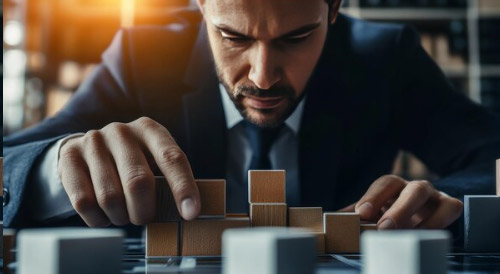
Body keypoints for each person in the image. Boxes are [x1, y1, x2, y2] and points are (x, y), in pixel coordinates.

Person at [3, 0, 500, 239]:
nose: (262, 78)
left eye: (295, 37)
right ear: (200, 5)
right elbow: (8, 166)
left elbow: (491, 157)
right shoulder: (141, 56)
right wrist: (59, 164)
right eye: (234, 38)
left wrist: (450, 201)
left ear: (334, 10)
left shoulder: (385, 59)